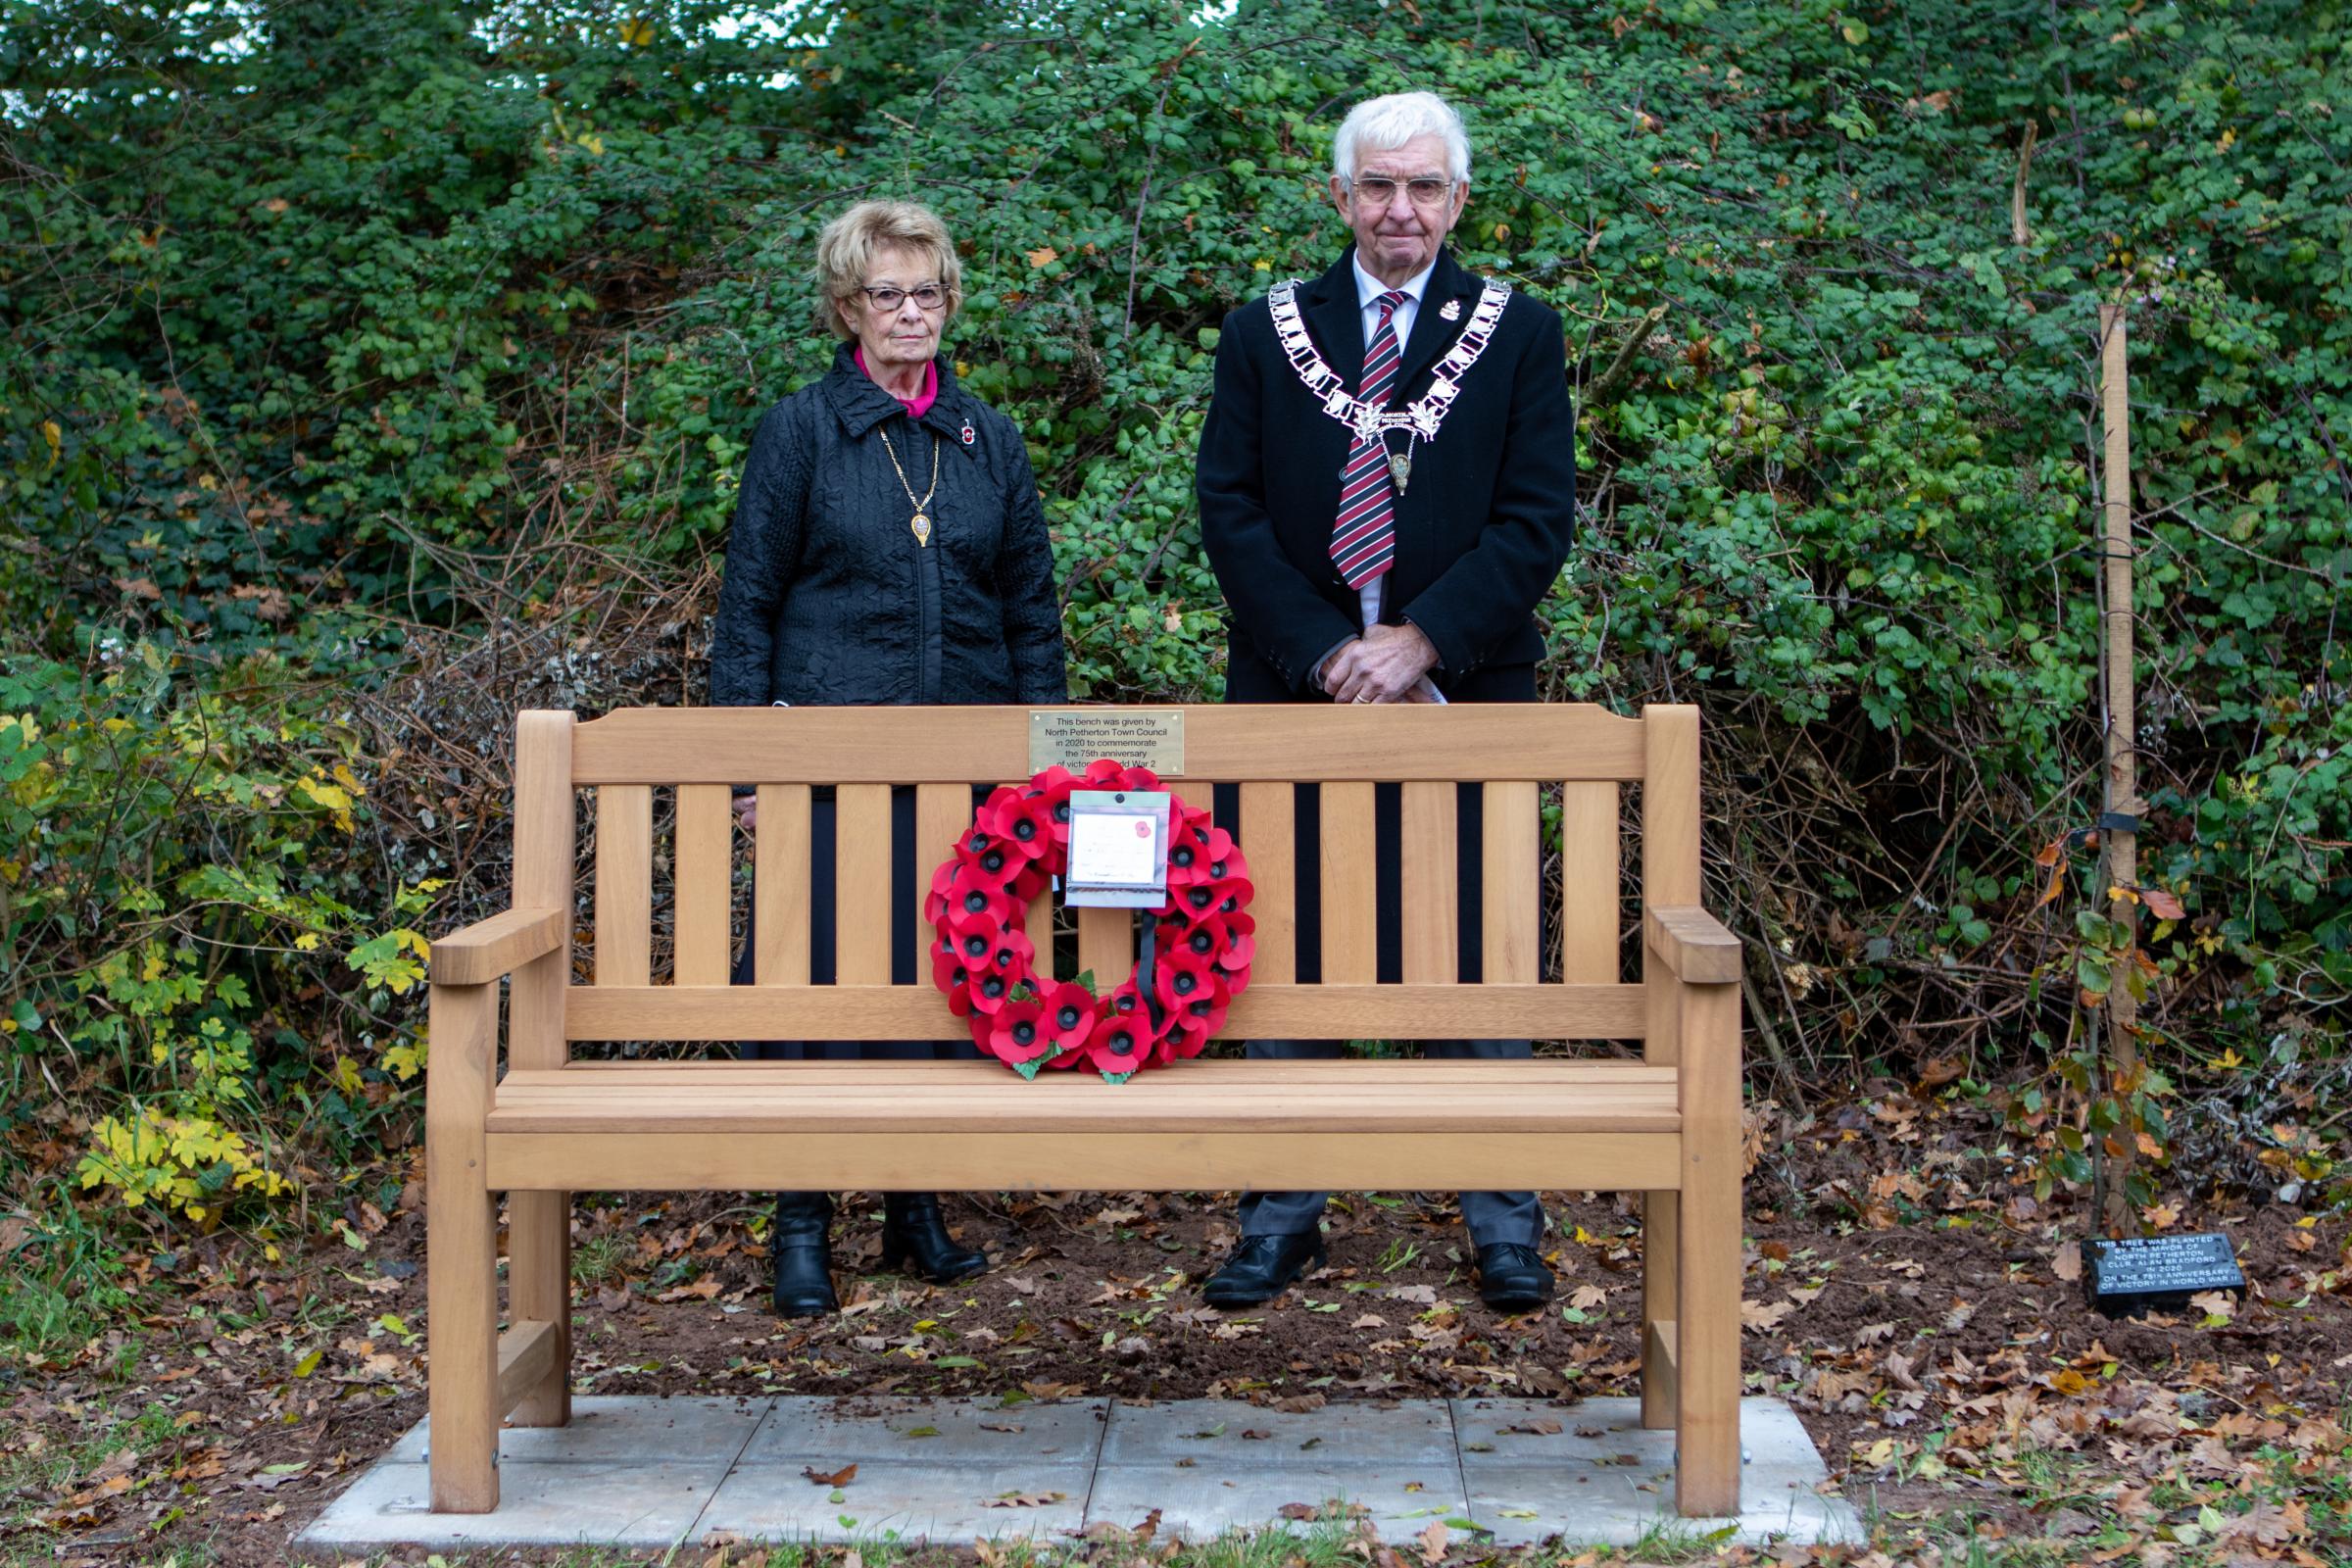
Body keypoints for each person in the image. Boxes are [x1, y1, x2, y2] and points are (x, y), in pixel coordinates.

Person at [1194, 92, 1578, 1312]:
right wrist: (1327, 652)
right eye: (1376, 186)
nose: (1398, 209)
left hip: (1465, 691)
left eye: (1422, 188)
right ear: (1340, 195)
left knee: (1478, 950)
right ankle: (1282, 1212)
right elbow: (1232, 512)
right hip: (1294, 688)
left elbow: (1536, 518)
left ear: (1458, 200)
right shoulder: (1268, 333)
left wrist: (1419, 644)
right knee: (1288, 948)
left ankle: (1504, 1220)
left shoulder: (1519, 334)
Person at [710, 199, 1068, 1316]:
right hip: (826, 763)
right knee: (818, 990)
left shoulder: (987, 438)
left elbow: (1033, 618)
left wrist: (1043, 774)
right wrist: (749, 768)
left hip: (967, 769)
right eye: (886, 294)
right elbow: (747, 608)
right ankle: (803, 1220)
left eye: (926, 293)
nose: (909, 313)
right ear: (845, 306)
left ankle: (915, 1208)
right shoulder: (800, 431)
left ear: (949, 301)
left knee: (941, 981)